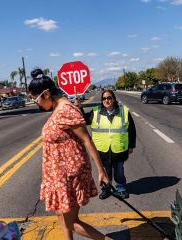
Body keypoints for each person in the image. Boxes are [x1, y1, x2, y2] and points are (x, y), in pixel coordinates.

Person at [28, 69, 112, 240]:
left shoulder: (66, 109)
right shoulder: (58, 108)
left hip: (70, 173)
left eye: (35, 99)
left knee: (70, 222)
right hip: (59, 174)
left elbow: (87, 139)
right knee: (61, 214)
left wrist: (101, 170)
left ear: (46, 93)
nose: (36, 104)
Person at [76, 89, 136, 199]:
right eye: (104, 98)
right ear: (101, 100)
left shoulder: (124, 111)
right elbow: (84, 120)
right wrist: (79, 107)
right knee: (105, 171)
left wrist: (131, 146)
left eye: (109, 98)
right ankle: (106, 189)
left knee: (119, 171)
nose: (106, 100)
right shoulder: (96, 112)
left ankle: (121, 189)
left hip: (119, 148)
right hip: (101, 149)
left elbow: (131, 130)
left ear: (114, 99)